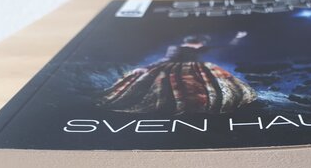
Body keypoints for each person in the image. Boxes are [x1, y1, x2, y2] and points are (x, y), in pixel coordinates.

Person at [100, 32, 257, 114]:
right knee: (178, 88)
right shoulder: (176, 48)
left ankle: (201, 106)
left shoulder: (200, 47)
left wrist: (238, 37)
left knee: (206, 87)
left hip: (197, 68)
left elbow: (225, 46)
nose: (200, 46)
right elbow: (166, 59)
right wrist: (147, 68)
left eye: (200, 44)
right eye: (199, 43)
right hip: (176, 69)